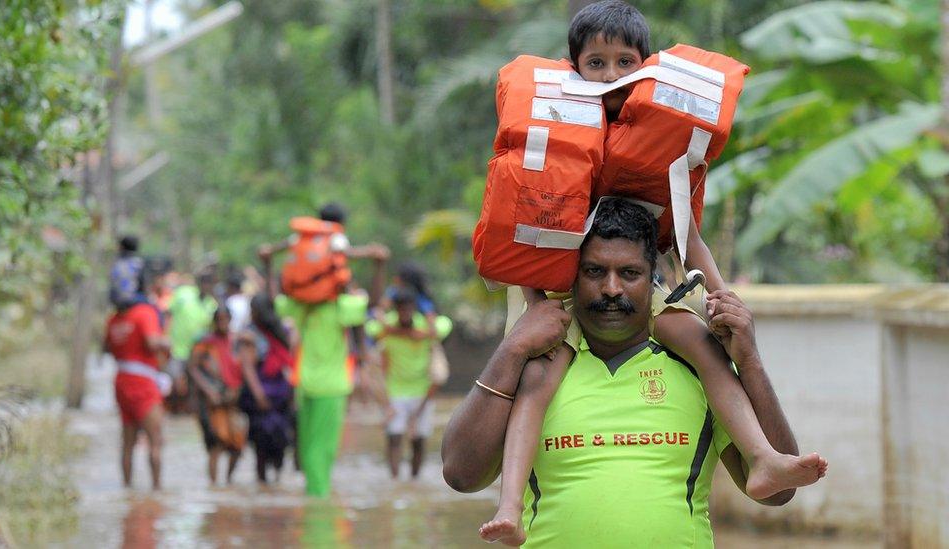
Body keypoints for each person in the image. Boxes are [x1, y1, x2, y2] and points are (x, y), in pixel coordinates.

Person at [481, 2, 828, 540]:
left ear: (648, 67)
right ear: (573, 69)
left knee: (704, 346)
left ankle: (762, 456)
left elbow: (687, 237)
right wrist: (532, 320)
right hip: (557, 296)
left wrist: (721, 294)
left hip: (651, 288)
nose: (612, 76)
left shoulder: (659, 137)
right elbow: (530, 238)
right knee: (535, 377)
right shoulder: (558, 130)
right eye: (595, 64)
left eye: (625, 62)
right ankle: (508, 506)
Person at [442, 198, 828, 546]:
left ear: (653, 277)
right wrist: (511, 349)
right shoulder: (534, 363)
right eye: (594, 271)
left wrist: (750, 361)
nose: (611, 288)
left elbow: (778, 494)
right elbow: (461, 475)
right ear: (571, 276)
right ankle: (508, 506)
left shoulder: (694, 361)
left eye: (629, 274)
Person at [259, 202, 390, 497]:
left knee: (307, 449)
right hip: (331, 387)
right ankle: (319, 512)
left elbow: (272, 300)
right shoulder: (339, 308)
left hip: (303, 384)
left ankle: (313, 500)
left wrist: (268, 264)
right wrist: (380, 265)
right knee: (322, 450)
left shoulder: (300, 306)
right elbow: (373, 304)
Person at [366, 289, 452, 479]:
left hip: (422, 390)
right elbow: (370, 327)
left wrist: (419, 332)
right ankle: (395, 480)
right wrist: (387, 322)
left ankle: (414, 480)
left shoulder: (425, 324)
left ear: (414, 309)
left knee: (419, 440)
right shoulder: (386, 325)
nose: (405, 313)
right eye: (401, 310)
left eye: (408, 309)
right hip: (395, 390)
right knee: (394, 437)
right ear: (396, 310)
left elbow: (446, 325)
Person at [104, 298, 170, 490]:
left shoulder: (114, 319)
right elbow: (152, 342)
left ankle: (127, 489)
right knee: (155, 440)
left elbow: (107, 347)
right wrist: (166, 343)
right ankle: (157, 490)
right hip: (143, 382)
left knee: (128, 442)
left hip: (121, 380)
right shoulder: (145, 313)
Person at [237, 294, 296, 483]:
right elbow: (247, 367)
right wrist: (258, 394)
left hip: (280, 394)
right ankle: (262, 483)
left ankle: (275, 483)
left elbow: (290, 359)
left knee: (281, 439)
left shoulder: (281, 331)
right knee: (261, 441)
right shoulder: (250, 334)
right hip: (261, 395)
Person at [186, 306, 246, 485]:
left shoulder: (236, 341)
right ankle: (214, 485)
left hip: (233, 398)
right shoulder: (205, 343)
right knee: (216, 444)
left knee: (237, 445)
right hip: (213, 401)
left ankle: (228, 481)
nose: (223, 323)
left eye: (226, 319)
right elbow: (192, 367)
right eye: (219, 320)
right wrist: (208, 390)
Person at [167, 271, 219, 410]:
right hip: (178, 349)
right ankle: (175, 410)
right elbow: (169, 314)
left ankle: (190, 412)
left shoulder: (212, 305)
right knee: (177, 384)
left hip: (197, 352)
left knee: (194, 385)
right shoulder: (183, 294)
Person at [109, 235, 146, 309]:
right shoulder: (138, 263)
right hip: (133, 300)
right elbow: (142, 285)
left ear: (122, 247)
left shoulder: (116, 263)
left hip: (116, 300)